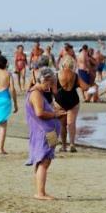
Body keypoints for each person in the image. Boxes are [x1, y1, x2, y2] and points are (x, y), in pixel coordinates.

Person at [25, 68, 64, 200]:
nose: (52, 86)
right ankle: (40, 193)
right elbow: (39, 113)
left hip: (47, 131)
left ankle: (40, 191)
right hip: (44, 132)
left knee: (45, 161)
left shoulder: (38, 93)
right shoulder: (36, 93)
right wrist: (55, 114)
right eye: (51, 82)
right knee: (44, 161)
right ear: (45, 80)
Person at [53, 62, 82, 152]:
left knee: (62, 125)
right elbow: (85, 87)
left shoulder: (57, 75)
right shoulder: (75, 75)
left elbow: (53, 90)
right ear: (72, 66)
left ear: (63, 65)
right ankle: (72, 144)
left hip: (60, 101)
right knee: (71, 123)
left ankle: (64, 146)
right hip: (73, 100)